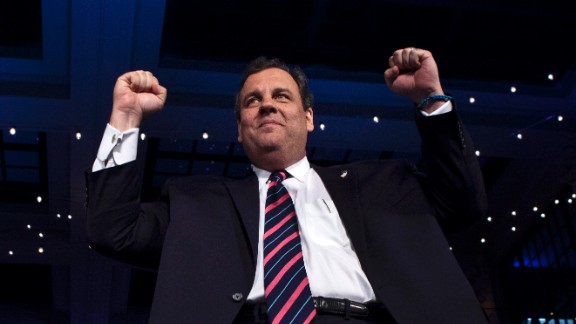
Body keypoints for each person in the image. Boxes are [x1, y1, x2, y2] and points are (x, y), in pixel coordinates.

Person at [86, 47, 489, 323]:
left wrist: (430, 97)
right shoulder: (194, 203)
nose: (267, 104)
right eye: (252, 100)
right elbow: (112, 231)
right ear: (239, 130)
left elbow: (463, 201)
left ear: (308, 118)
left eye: (282, 95)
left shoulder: (381, 183)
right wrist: (125, 117)